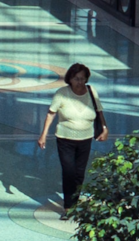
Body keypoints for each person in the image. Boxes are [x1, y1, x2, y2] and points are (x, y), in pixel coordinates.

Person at [38, 63, 104, 213]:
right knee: (69, 171)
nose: (80, 82)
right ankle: (68, 206)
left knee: (79, 173)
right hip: (65, 139)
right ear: (70, 79)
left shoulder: (91, 91)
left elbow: (99, 111)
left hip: (85, 139)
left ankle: (74, 203)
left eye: (82, 78)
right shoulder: (62, 93)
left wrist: (104, 129)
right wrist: (43, 135)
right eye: (76, 78)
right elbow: (51, 113)